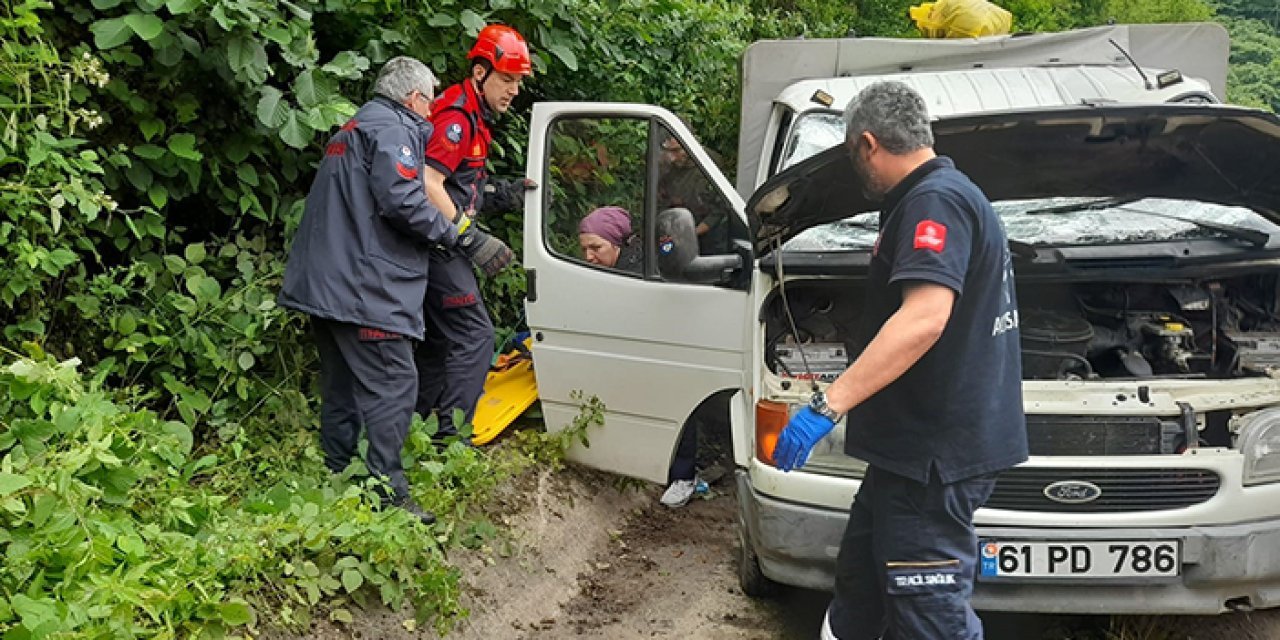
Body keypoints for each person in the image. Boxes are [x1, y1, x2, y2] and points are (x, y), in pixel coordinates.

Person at [770, 81, 1028, 639]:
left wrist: (827, 404)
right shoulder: (943, 195)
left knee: (930, 616)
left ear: (868, 144)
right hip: (908, 457)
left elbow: (924, 318)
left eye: (851, 155)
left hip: (931, 461)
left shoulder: (935, 201)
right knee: (859, 592)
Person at [279, 57, 513, 526]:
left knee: (342, 386)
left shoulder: (354, 126)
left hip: (324, 285)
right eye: (429, 103)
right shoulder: (395, 128)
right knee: (395, 384)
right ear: (415, 99)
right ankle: (386, 494)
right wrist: (460, 237)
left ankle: (336, 474)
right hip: (365, 289)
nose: (432, 116)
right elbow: (404, 200)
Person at [414, 24, 534, 441]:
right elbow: (428, 184)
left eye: (518, 81)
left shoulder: (473, 114)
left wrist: (502, 194)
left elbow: (457, 187)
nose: (514, 90)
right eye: (507, 78)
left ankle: (420, 428)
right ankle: (452, 438)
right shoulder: (456, 118)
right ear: (481, 73)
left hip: (436, 242)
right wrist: (472, 238)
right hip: (436, 244)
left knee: (438, 343)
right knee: (476, 336)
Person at [657, 129, 730, 255]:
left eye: (676, 151)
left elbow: (720, 209)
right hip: (675, 234)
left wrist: (693, 233)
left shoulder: (710, 163)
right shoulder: (665, 167)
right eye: (668, 151)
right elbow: (659, 203)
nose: (672, 158)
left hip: (711, 239)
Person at [578, 206, 642, 273]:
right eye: (584, 249)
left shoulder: (634, 275)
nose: (588, 257)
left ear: (616, 245)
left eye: (596, 248)